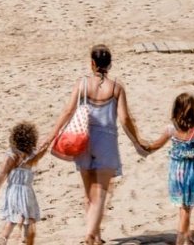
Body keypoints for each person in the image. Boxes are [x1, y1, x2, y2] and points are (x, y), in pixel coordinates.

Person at [47, 45, 145, 245]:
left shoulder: (82, 84)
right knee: (100, 193)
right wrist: (137, 141)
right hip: (106, 143)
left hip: (84, 140)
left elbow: (67, 111)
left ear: (92, 63)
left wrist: (51, 135)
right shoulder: (117, 86)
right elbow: (125, 119)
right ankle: (90, 235)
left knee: (89, 194)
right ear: (110, 64)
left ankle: (96, 236)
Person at [141, 93, 194, 245]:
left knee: (183, 208)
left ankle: (186, 238)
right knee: (186, 210)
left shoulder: (171, 129)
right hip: (191, 174)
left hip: (176, 174)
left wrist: (141, 145)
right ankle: (181, 239)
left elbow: (155, 145)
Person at [0, 121, 47, 245]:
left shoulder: (12, 155)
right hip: (26, 192)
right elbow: (43, 147)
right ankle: (26, 240)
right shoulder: (32, 155)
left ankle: (2, 239)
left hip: (12, 192)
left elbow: (3, 172)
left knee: (11, 220)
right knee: (30, 220)